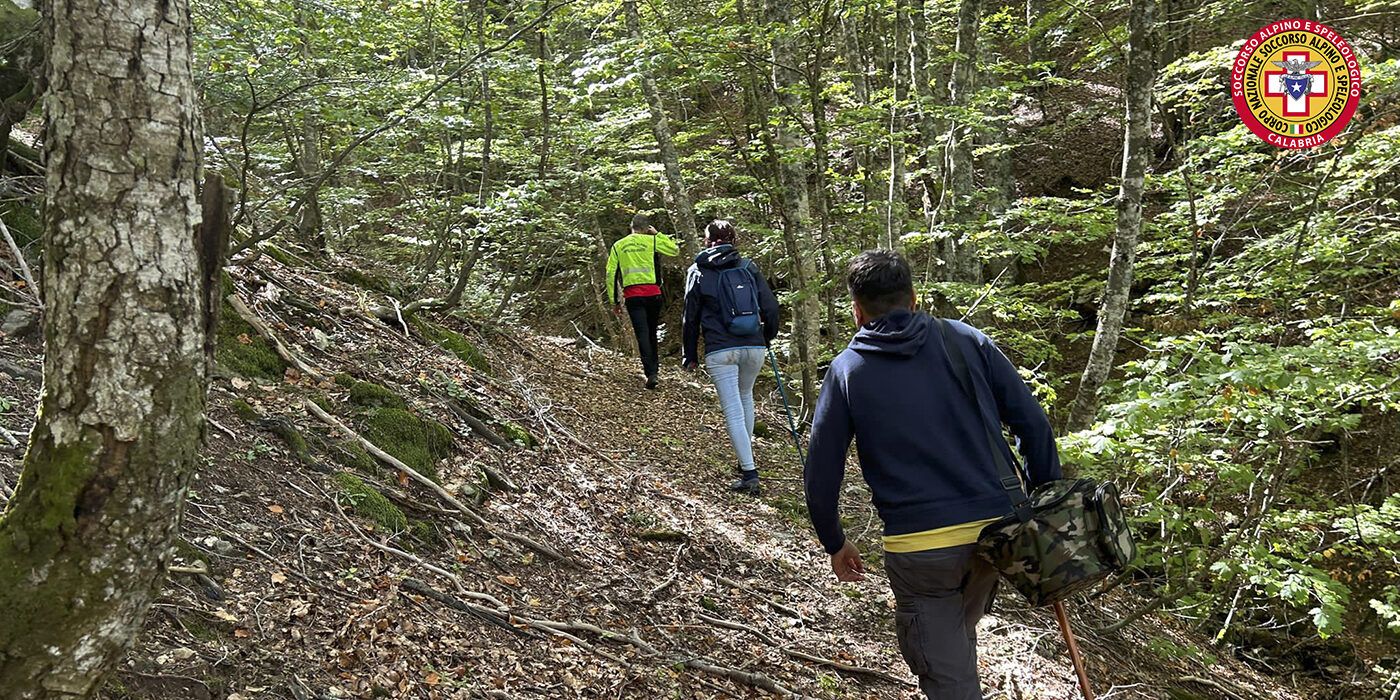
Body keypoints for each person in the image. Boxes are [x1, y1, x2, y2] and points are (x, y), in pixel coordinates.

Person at [803, 250, 1062, 699]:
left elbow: (822, 467)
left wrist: (834, 539)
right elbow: (1032, 423)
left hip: (920, 546)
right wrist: (1046, 501)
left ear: (856, 309)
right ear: (914, 298)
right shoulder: (966, 340)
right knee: (955, 646)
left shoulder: (848, 370)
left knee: (948, 672)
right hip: (995, 533)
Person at [682, 220, 780, 493]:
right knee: (746, 396)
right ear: (733, 239)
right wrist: (766, 338)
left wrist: (689, 354)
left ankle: (749, 473)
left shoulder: (698, 270)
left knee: (733, 408)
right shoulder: (748, 267)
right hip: (754, 346)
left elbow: (690, 317)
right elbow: (771, 307)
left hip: (720, 348)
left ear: (707, 241)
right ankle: (745, 460)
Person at [606, 213, 679, 389]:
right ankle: (655, 370)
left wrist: (614, 301)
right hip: (653, 294)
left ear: (631, 226)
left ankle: (651, 373)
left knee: (642, 334)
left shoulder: (618, 245)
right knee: (652, 332)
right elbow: (674, 250)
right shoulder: (652, 240)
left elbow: (610, 274)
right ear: (647, 228)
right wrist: (657, 234)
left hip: (633, 296)